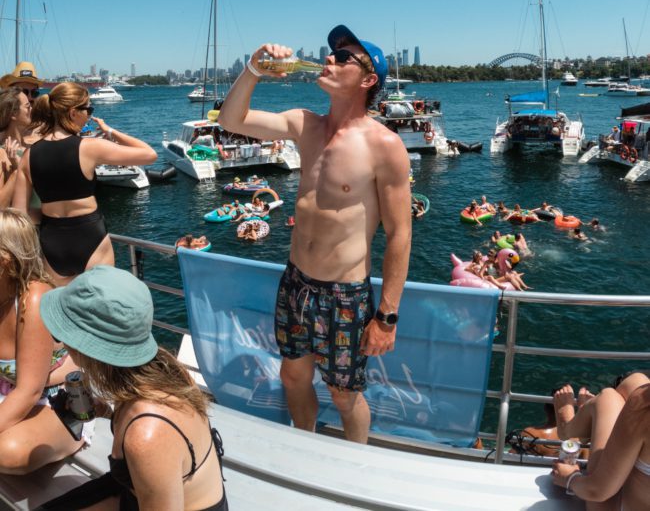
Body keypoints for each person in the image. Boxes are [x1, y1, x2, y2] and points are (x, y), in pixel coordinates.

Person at [218, 25, 412, 444]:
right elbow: (231, 119)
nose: (330, 59)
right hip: (295, 282)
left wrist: (387, 317)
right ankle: (303, 446)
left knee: (345, 395)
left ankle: (354, 465)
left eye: (344, 58)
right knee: (292, 376)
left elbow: (399, 234)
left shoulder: (385, 145)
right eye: (331, 54)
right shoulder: (304, 124)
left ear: (368, 79)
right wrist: (254, 67)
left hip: (345, 294)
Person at [38, 266, 227, 510]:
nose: (61, 342)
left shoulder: (146, 435)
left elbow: (152, 441)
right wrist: (106, 411)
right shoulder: (162, 370)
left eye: (62, 334)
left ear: (88, 349)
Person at [12, 82, 157, 285]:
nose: (89, 114)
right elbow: (149, 154)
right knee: (100, 308)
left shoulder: (29, 155)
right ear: (73, 113)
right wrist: (110, 131)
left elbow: (20, 213)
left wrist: (49, 214)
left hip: (51, 240)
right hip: (90, 235)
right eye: (88, 109)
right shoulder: (89, 147)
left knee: (61, 310)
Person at [0, 208, 82, 474]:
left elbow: (30, 390)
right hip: (9, 393)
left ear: (5, 262)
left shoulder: (33, 298)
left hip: (61, 400)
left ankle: (76, 437)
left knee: (7, 452)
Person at [551, 374, 650, 510]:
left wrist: (570, 478)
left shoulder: (644, 405)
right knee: (635, 381)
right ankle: (587, 425)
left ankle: (569, 430)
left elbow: (597, 491)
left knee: (608, 398)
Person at [0, 88, 33, 208]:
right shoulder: (2, 153)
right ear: (13, 114)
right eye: (28, 106)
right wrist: (17, 170)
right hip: (26, 225)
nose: (31, 109)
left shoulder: (29, 146)